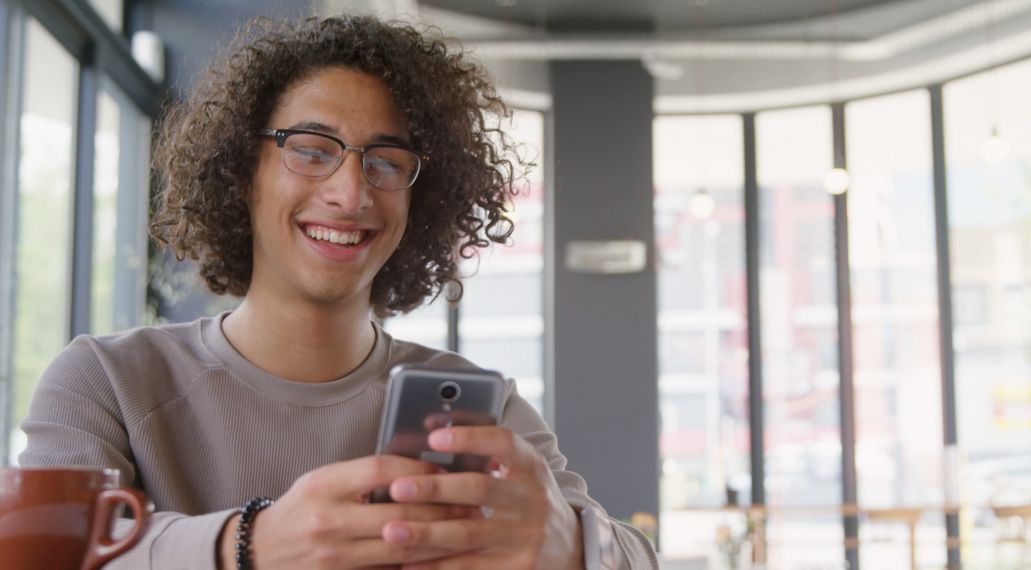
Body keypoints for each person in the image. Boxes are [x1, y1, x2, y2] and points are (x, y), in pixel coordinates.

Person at [18, 14, 658, 570]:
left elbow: (634, 556)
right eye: (312, 149)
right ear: (245, 171)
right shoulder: (108, 382)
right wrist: (246, 547)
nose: (351, 194)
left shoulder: (473, 407)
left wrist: (569, 546)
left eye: (385, 162)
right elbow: (39, 556)